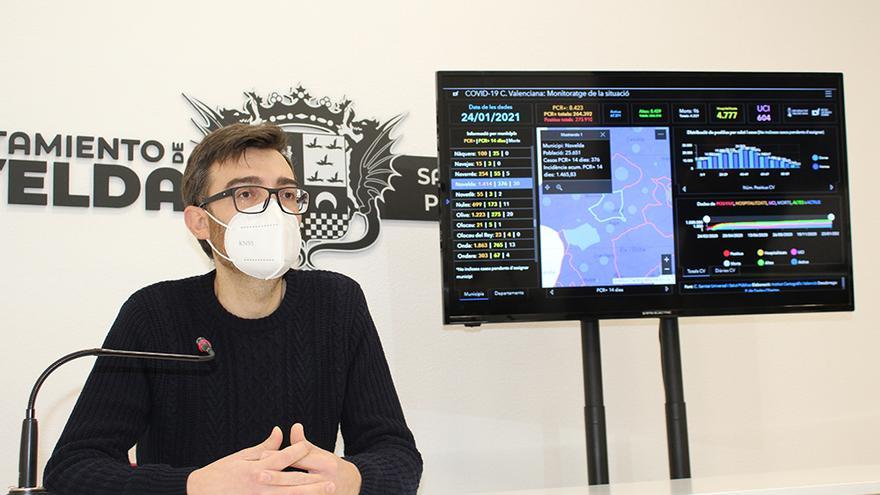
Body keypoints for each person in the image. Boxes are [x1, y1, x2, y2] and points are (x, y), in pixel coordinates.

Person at [44, 123, 422, 495]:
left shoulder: (337, 303)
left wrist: (352, 479)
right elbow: (73, 467)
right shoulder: (155, 313)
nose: (274, 210)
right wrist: (195, 485)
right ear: (199, 222)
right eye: (246, 194)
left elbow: (397, 455)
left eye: (287, 194)